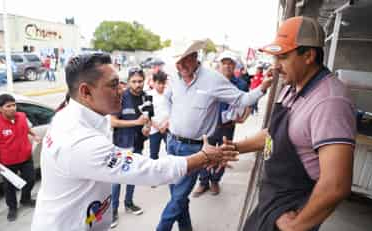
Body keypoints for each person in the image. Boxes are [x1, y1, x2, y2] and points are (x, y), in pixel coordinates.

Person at [30, 53, 238, 231]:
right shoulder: (77, 140)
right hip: (68, 225)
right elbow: (150, 170)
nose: (121, 90)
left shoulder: (85, 115)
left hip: (87, 220)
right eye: (113, 85)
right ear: (85, 91)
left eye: (119, 83)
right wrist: (203, 157)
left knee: (179, 200)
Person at [229, 16, 356, 231]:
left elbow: (336, 185)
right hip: (272, 200)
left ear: (308, 55)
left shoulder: (330, 102)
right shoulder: (292, 86)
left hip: (294, 208)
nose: (276, 66)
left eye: (283, 57)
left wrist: (297, 225)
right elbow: (274, 135)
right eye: (275, 57)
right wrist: (234, 148)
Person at [156, 40, 272, 231]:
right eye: (177, 61)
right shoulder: (175, 78)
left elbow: (242, 99)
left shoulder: (213, 79)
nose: (181, 66)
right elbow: (167, 99)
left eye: (185, 60)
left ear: (195, 57)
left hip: (195, 149)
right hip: (172, 144)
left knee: (177, 197)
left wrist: (262, 88)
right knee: (178, 196)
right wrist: (168, 117)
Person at [193, 51, 252, 197]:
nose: (227, 66)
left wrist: (244, 117)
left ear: (235, 66)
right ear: (219, 65)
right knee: (206, 152)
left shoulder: (241, 84)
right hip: (210, 125)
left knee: (224, 153)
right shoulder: (211, 81)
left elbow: (249, 102)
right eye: (224, 63)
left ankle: (215, 181)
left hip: (228, 126)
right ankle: (203, 182)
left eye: (230, 63)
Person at [0, 94, 41, 222]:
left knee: (30, 180)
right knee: (9, 187)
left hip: (26, 157)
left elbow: (27, 128)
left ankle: (25, 199)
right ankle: (12, 208)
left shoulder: (22, 116)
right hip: (7, 162)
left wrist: (34, 135)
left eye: (14, 105)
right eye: (8, 106)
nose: (12, 108)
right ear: (0, 108)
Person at [110, 67, 150, 227]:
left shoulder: (147, 97)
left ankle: (128, 203)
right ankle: (112, 210)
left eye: (140, 81)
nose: (137, 84)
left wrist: (147, 128)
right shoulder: (120, 97)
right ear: (128, 82)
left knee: (133, 175)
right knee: (117, 179)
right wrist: (135, 122)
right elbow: (112, 121)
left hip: (138, 143)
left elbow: (147, 119)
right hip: (121, 144)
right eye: (134, 81)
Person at [148, 71, 169, 161]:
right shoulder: (149, 95)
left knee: (170, 152)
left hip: (168, 128)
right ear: (154, 82)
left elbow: (172, 111)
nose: (161, 86)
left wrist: (165, 125)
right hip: (154, 130)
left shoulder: (168, 94)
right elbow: (147, 115)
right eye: (159, 83)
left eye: (163, 83)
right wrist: (158, 127)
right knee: (153, 155)